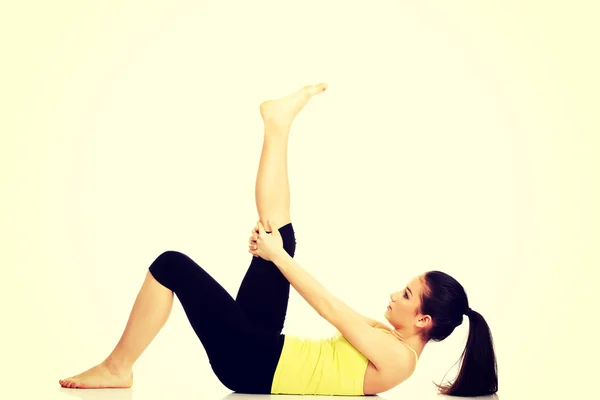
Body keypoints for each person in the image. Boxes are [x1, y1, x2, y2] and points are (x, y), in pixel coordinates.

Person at [58, 83, 498, 397]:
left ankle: (118, 367)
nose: (394, 293)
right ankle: (278, 125)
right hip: (265, 346)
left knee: (172, 264)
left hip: (250, 365)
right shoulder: (391, 341)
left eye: (406, 293)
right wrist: (274, 253)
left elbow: (328, 307)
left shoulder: (399, 359)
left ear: (423, 320)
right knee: (279, 233)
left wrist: (276, 258)